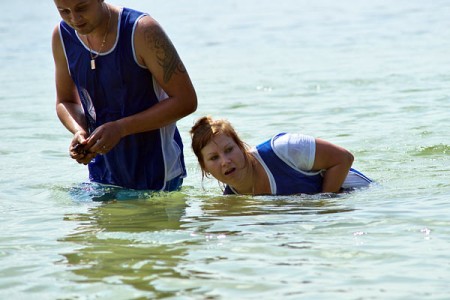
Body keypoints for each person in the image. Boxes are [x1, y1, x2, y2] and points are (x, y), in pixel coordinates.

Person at [51, 0, 197, 191]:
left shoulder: (142, 30)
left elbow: (186, 101)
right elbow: (65, 101)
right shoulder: (62, 36)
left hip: (158, 177)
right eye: (64, 11)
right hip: (101, 177)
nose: (74, 18)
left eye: (82, 8)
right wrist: (80, 132)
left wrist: (121, 128)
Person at [190, 116, 372, 195]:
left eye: (229, 150)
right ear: (204, 167)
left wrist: (325, 204)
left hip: (366, 199)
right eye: (214, 158)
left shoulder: (283, 149)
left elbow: (344, 158)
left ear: (240, 146)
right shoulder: (233, 201)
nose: (225, 161)